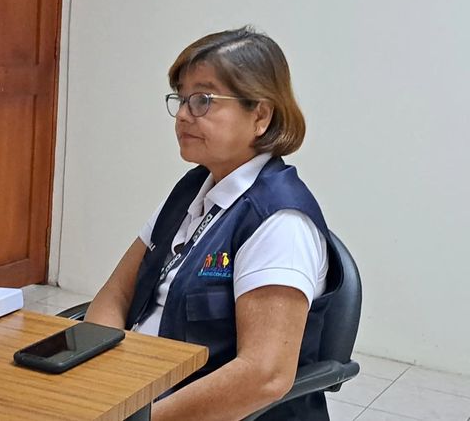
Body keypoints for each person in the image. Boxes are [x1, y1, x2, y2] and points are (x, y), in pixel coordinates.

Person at [84, 26, 342, 421]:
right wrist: (101, 381)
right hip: (134, 394)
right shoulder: (194, 188)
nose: (183, 115)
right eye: (181, 99)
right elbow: (115, 294)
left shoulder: (279, 222)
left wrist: (140, 417)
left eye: (203, 100)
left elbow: (264, 375)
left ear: (260, 115)